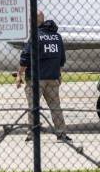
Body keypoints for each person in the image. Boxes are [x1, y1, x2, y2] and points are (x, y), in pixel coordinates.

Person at [16, 11, 70, 142]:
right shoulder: (57, 37)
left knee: (33, 107)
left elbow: (25, 58)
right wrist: (58, 74)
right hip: (52, 78)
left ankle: (33, 134)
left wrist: (19, 74)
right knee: (55, 107)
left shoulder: (35, 37)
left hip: (36, 79)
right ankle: (61, 134)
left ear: (35, 21)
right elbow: (61, 59)